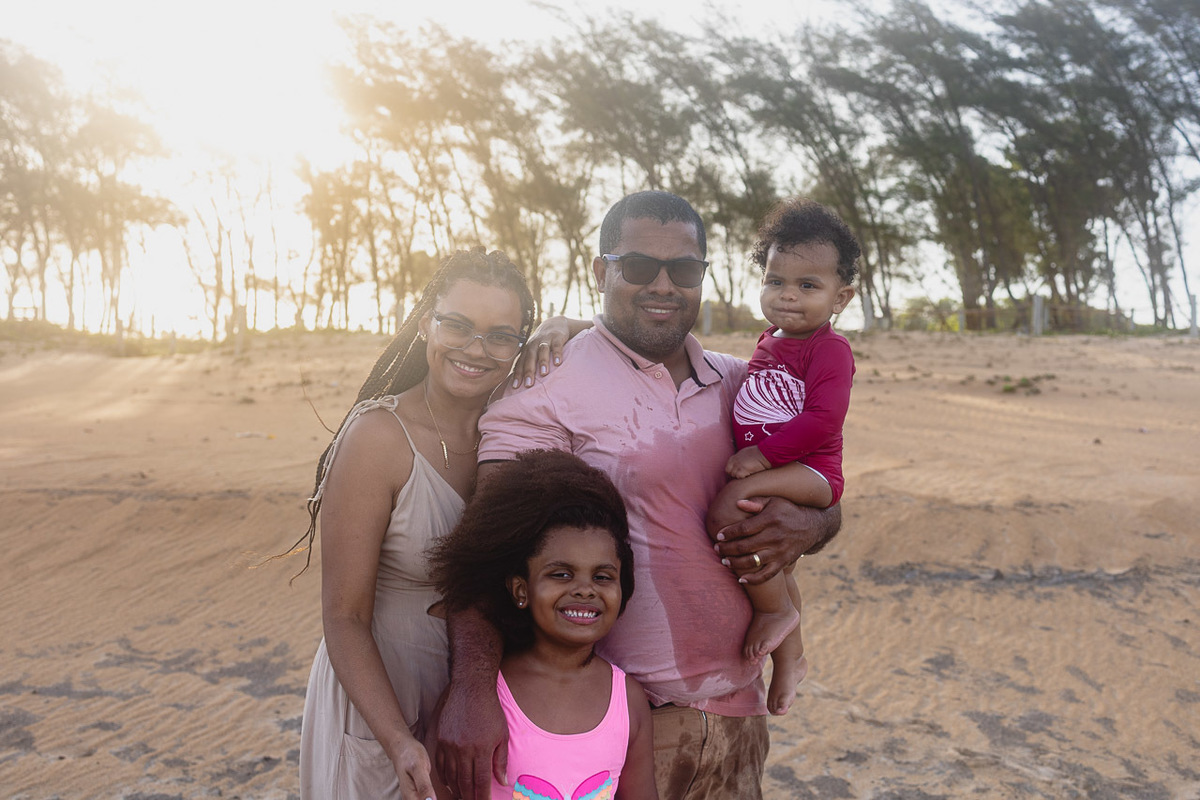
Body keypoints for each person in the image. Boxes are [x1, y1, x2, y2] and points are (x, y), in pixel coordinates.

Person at [436, 191, 843, 800]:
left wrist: (814, 527)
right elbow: (485, 553)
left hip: (741, 714)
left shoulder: (740, 381)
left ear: (702, 276)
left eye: (682, 270)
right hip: (621, 721)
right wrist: (470, 690)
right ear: (601, 272)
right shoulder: (543, 387)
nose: (662, 285)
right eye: (636, 266)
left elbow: (825, 486)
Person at [295, 247, 537, 800]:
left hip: (477, 704)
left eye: (501, 335)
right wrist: (398, 741)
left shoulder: (520, 433)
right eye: (457, 325)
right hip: (378, 704)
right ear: (427, 322)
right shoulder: (378, 439)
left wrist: (563, 327)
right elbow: (343, 617)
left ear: (520, 345)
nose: (476, 350)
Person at [427, 449, 657, 800]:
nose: (584, 589)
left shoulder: (628, 700)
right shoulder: (480, 701)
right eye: (561, 574)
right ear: (521, 590)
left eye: (602, 576)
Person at [705, 197, 859, 716]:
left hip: (814, 472)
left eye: (808, 286)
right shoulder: (770, 340)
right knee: (774, 556)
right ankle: (791, 656)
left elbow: (823, 420)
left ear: (842, 297)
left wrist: (763, 460)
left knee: (731, 509)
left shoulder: (829, 349)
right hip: (784, 467)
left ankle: (772, 616)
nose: (788, 296)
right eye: (776, 281)